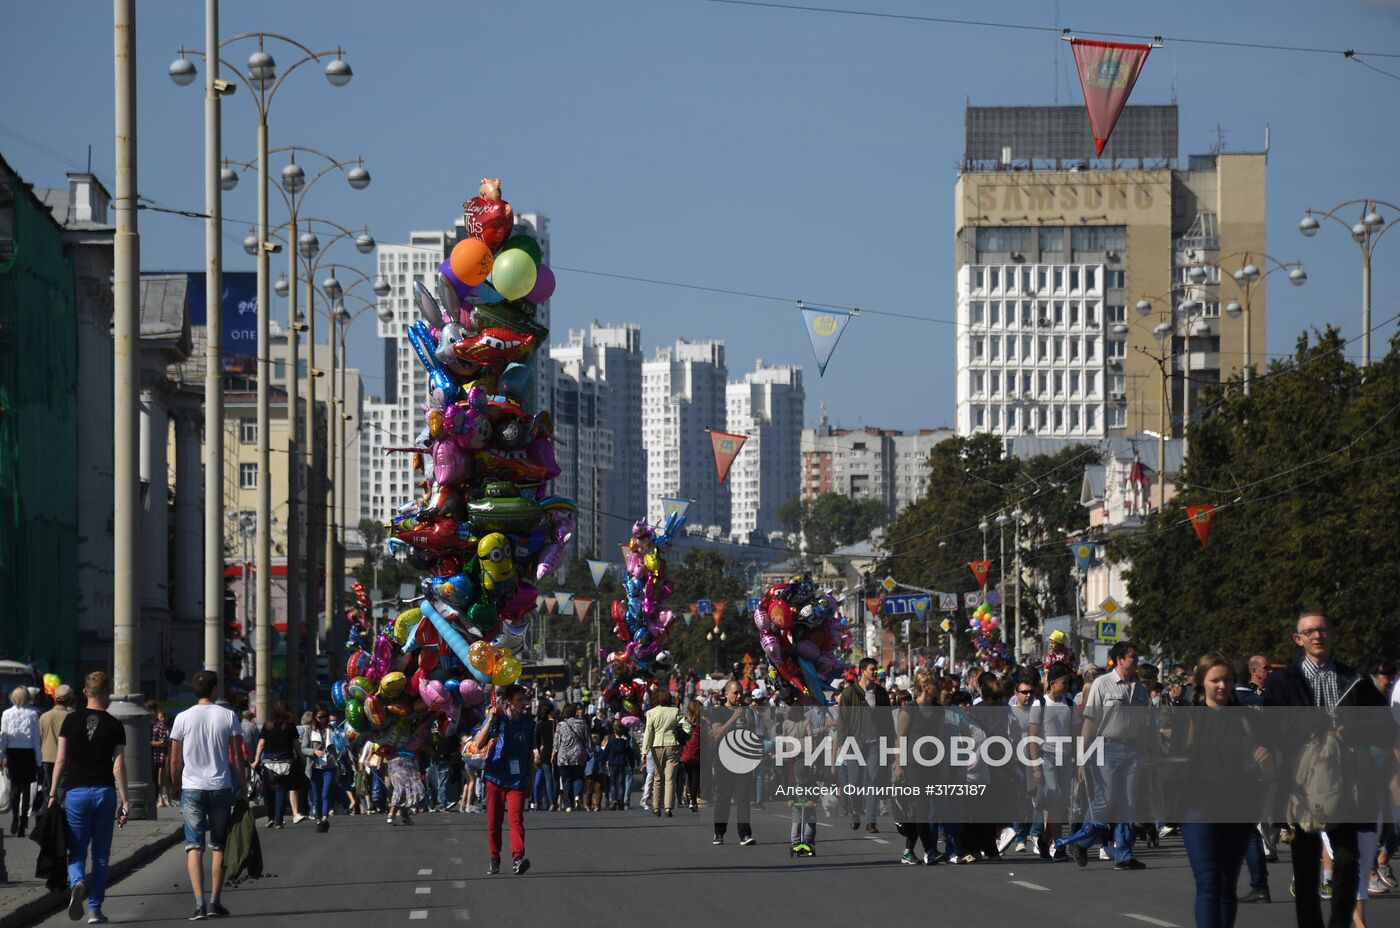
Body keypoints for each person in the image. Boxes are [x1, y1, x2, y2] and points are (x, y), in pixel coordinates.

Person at [1263, 610, 1387, 928]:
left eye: (1323, 630)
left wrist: (1355, 729)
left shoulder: (1354, 679)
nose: (1317, 636)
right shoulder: (1282, 681)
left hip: (1346, 780)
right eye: (1309, 631)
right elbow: (1269, 729)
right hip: (1301, 782)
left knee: (1348, 860)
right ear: (1298, 639)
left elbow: (1384, 723)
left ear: (1333, 635)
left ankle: (1339, 923)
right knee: (1305, 866)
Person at [1174, 653, 1273, 928]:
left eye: (1227, 680)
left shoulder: (1246, 719)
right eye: (1215, 680)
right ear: (1201, 682)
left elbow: (1268, 767)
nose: (1221, 685)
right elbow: (1170, 765)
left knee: (1227, 883)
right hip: (1198, 811)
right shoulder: (1189, 719)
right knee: (1208, 882)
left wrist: (1265, 761)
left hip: (1238, 810)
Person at [47, 671, 128, 925]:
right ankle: (94, 909)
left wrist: (52, 793)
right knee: (102, 855)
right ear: (107, 694)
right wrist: (126, 801)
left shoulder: (70, 722)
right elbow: (118, 767)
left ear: (84, 692)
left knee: (77, 849)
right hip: (104, 793)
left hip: (76, 793)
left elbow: (60, 760)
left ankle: (78, 880)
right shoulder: (115, 725)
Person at [169, 670, 244, 921]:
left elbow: (174, 758)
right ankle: (215, 901)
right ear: (214, 690)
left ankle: (199, 903)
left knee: (194, 846)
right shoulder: (228, 715)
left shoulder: (182, 718)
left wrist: (174, 784)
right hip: (220, 786)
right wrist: (242, 787)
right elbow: (236, 757)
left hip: (191, 788)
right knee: (219, 844)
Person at [1070, 640, 1149, 871]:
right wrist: (1081, 756)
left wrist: (1146, 753)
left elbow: (1143, 725)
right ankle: (1081, 842)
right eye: (1132, 656)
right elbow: (1090, 722)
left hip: (1133, 749)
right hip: (1107, 747)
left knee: (1129, 801)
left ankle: (1123, 854)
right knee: (1105, 799)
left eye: (1136, 656)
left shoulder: (1140, 689)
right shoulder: (1102, 684)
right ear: (1120, 659)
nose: (1136, 660)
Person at [471, 684, 536, 875]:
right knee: (494, 821)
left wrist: (530, 780)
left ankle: (518, 858)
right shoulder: (497, 719)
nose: (524, 703)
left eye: (525, 700)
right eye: (519, 700)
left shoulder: (529, 723)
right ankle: (494, 857)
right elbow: (478, 743)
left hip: (516, 780)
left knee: (516, 820)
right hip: (495, 777)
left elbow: (531, 755)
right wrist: (491, 719)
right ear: (508, 701)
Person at [836, 658, 893, 834]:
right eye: (872, 669)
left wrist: (890, 744)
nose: (875, 672)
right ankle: (855, 811)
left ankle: (871, 821)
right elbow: (842, 721)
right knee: (854, 782)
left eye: (876, 669)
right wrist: (842, 744)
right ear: (863, 671)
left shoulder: (881, 693)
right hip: (854, 744)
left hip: (874, 744)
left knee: (873, 781)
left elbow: (888, 721)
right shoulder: (849, 693)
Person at [892, 669, 942, 865]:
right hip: (913, 764)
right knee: (920, 807)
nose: (938, 687)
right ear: (924, 687)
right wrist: (898, 765)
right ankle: (930, 849)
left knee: (922, 810)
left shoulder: (938, 709)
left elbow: (940, 738)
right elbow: (900, 738)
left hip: (933, 763)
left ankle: (908, 850)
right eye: (935, 684)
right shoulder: (910, 709)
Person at [1028, 663, 1075, 861]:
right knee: (1054, 800)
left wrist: (1079, 760)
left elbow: (1076, 733)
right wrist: (1036, 766)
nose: (1066, 686)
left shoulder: (1069, 704)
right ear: (1053, 683)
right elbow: (1033, 738)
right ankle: (1060, 844)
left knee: (1060, 804)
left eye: (1068, 683)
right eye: (1063, 682)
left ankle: (1044, 839)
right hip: (1047, 758)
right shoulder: (1040, 704)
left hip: (1066, 758)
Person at [710, 679, 757, 846]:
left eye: (740, 693)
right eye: (735, 693)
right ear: (726, 693)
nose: (738, 696)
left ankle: (745, 834)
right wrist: (733, 718)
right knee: (723, 797)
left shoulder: (746, 711)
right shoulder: (718, 712)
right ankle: (719, 833)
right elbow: (717, 734)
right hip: (724, 760)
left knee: (743, 798)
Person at [2, 685, 42, 837]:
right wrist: (38, 762)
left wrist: (1, 757)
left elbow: (3, 737)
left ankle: (14, 819)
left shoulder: (6, 714)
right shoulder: (32, 715)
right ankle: (23, 819)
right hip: (28, 753)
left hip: (12, 753)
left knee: (14, 788)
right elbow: (36, 739)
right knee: (26, 789)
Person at [251, 701, 297, 828]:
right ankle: (278, 820)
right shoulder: (290, 726)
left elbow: (261, 744)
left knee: (269, 791)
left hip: (269, 762)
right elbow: (296, 745)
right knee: (281, 790)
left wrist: (256, 760)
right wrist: (302, 759)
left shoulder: (268, 725)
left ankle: (271, 817)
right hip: (285, 762)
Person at [641, 689, 686, 817]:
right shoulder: (675, 711)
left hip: (657, 745)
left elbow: (648, 732)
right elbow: (686, 726)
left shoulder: (651, 713)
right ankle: (668, 808)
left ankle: (656, 807)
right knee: (670, 778)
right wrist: (682, 739)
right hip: (673, 745)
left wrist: (644, 751)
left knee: (658, 777)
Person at [300, 705, 337, 833]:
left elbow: (338, 745)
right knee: (316, 795)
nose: (323, 719)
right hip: (314, 767)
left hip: (329, 766)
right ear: (315, 717)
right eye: (320, 717)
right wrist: (314, 751)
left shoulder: (331, 729)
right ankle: (318, 818)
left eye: (325, 717)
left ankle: (325, 817)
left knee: (326, 793)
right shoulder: (310, 730)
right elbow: (303, 748)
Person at [39, 685, 76, 809]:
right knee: (62, 788)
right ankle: (58, 813)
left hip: (47, 758)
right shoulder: (72, 717)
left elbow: (40, 737)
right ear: (70, 699)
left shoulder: (44, 716)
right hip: (66, 758)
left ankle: (48, 812)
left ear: (55, 699)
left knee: (48, 788)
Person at [552, 702, 590, 812]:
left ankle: (568, 804)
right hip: (579, 754)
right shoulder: (582, 723)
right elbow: (588, 740)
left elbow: (557, 741)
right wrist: (592, 750)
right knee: (578, 777)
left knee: (566, 780)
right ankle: (577, 796)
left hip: (564, 756)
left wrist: (554, 753)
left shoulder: (561, 725)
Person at [679, 699, 704, 812]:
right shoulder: (701, 723)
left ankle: (687, 796)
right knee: (696, 778)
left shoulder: (684, 721)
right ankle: (692, 801)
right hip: (698, 754)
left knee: (688, 776)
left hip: (686, 753)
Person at [531, 703, 556, 812]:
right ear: (551, 712)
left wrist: (537, 752)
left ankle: (551, 802)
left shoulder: (540, 724)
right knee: (556, 778)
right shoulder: (556, 724)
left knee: (548, 779)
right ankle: (556, 801)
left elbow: (536, 741)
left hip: (545, 752)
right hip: (556, 751)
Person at [604, 723, 634, 811]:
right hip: (622, 764)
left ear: (614, 731)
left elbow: (606, 753)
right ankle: (621, 800)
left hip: (612, 764)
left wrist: (600, 759)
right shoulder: (625, 743)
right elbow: (630, 754)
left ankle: (614, 799)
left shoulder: (611, 742)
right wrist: (632, 764)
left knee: (613, 783)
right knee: (621, 783)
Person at [149, 707, 172, 808]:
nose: (162, 718)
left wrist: (148, 743)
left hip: (159, 755)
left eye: (163, 717)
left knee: (160, 777)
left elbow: (162, 743)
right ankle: (164, 798)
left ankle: (162, 798)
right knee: (163, 777)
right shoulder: (163, 727)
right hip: (162, 754)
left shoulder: (159, 727)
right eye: (161, 717)